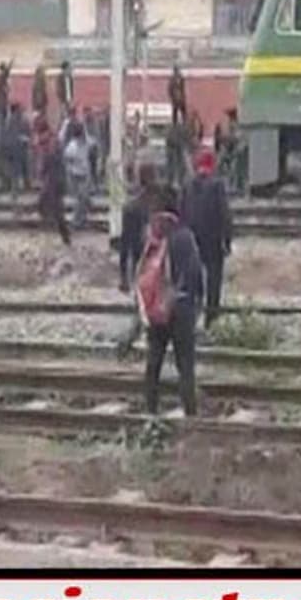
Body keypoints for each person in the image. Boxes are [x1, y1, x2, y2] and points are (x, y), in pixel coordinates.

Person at [132, 187, 203, 416]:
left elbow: (140, 274)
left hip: (155, 310)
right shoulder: (185, 237)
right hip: (180, 310)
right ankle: (190, 412)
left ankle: (150, 411)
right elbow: (193, 275)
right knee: (185, 365)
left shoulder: (151, 238)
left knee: (153, 363)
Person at [180, 148, 233, 327]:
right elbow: (225, 214)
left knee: (190, 279)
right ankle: (211, 319)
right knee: (213, 280)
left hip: (191, 239)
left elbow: (180, 213)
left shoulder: (187, 185)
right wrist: (227, 240)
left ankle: (190, 316)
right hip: (213, 239)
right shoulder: (217, 185)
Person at [119, 161, 158, 293]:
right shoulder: (163, 200)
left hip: (140, 252)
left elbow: (124, 245)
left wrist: (123, 276)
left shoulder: (131, 207)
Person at [62, 120, 91, 230]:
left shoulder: (85, 142)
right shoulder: (72, 146)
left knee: (83, 198)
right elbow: (67, 159)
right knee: (79, 199)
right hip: (76, 175)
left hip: (84, 173)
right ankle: (76, 222)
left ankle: (82, 220)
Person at [55, 60, 74, 126]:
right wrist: (62, 101)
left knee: (69, 116)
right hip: (63, 101)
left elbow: (71, 89)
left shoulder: (70, 77)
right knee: (62, 116)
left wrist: (71, 100)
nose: (71, 69)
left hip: (69, 100)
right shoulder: (59, 77)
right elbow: (58, 90)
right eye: (69, 68)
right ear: (65, 69)